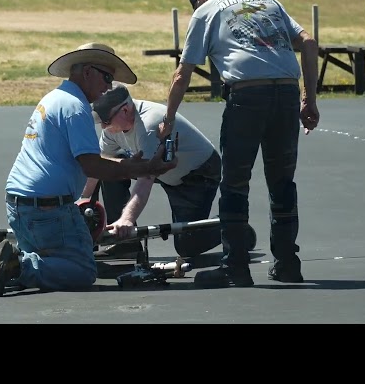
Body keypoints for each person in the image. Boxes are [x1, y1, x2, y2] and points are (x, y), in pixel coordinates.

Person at [0, 42, 177, 297]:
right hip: (47, 210)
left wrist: (132, 165)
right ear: (87, 72)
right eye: (106, 77)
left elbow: (87, 160)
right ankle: (15, 265)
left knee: (49, 265)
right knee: (82, 271)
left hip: (19, 204)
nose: (108, 86)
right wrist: (146, 167)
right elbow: (92, 165)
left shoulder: (54, 99)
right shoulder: (75, 107)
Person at [158, 0, 320, 288]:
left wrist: (168, 118)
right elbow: (309, 42)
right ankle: (287, 263)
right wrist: (308, 99)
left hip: (247, 94)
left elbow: (183, 73)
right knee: (282, 181)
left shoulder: (205, 11)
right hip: (286, 91)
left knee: (234, 183)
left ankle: (235, 267)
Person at [82, 83, 254, 260]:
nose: (103, 127)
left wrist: (126, 219)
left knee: (187, 246)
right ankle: (125, 244)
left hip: (196, 174)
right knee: (110, 168)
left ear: (125, 110)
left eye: (106, 121)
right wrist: (82, 202)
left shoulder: (150, 127)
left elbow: (146, 179)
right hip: (166, 171)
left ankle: (236, 228)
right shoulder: (112, 129)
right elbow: (98, 168)